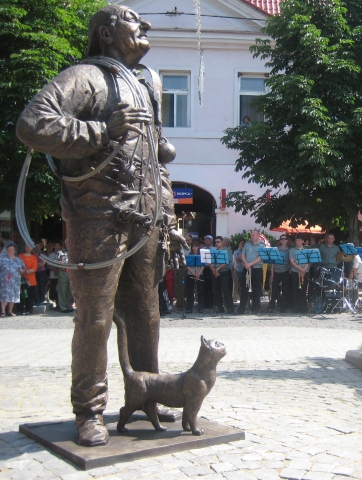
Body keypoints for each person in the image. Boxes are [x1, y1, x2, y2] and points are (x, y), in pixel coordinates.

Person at [16, 5, 186, 446]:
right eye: (134, 20)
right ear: (109, 34)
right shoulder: (85, 77)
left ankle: (147, 396)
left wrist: (169, 218)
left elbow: (155, 160)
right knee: (94, 319)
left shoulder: (150, 82)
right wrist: (100, 131)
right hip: (97, 217)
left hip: (145, 219)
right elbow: (33, 124)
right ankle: (89, 410)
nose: (144, 26)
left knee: (147, 316)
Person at [239, 230, 265, 314]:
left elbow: (260, 258)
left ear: (258, 236)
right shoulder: (247, 244)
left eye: (254, 235)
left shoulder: (262, 245)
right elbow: (243, 255)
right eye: (251, 235)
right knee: (244, 289)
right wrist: (247, 264)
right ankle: (241, 309)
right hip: (247, 269)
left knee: (256, 290)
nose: (252, 236)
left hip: (256, 269)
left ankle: (255, 309)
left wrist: (250, 264)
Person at [0, 242, 26, 317]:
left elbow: (24, 269)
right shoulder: (2, 259)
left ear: (15, 251)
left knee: (13, 296)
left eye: (11, 249)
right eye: (8, 249)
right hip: (4, 281)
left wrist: (22, 270)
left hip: (15, 281)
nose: (9, 250)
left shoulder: (19, 260)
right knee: (4, 295)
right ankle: (2, 312)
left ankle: (10, 311)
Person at [211, 236, 233, 314]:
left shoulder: (227, 251)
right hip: (215, 273)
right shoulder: (214, 251)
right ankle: (220, 309)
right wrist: (213, 270)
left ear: (222, 242)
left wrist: (217, 269)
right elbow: (210, 262)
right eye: (215, 242)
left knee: (226, 290)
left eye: (218, 242)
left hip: (224, 272)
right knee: (216, 291)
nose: (216, 243)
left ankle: (230, 309)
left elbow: (226, 262)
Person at [269, 236, 291, 313]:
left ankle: (283, 307)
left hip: (285, 271)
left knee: (285, 290)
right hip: (277, 271)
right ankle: (271, 307)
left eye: (285, 239)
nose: (284, 240)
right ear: (280, 241)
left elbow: (290, 261)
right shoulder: (276, 250)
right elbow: (273, 262)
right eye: (282, 239)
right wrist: (272, 273)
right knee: (274, 290)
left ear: (287, 240)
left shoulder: (289, 250)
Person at [289, 235, 310, 313]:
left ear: (303, 241)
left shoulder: (306, 250)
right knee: (295, 290)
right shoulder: (292, 250)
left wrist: (304, 270)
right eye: (296, 240)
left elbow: (308, 261)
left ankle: (304, 308)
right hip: (295, 271)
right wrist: (300, 269)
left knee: (303, 290)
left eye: (299, 240)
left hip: (305, 271)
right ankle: (295, 308)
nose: (298, 242)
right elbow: (292, 261)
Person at [18, 245, 38, 315]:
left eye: (29, 247)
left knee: (29, 296)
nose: (27, 248)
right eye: (26, 246)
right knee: (21, 295)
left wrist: (24, 272)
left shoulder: (33, 257)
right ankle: (20, 310)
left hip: (31, 280)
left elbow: (34, 269)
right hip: (21, 279)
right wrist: (22, 271)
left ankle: (29, 310)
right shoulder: (20, 256)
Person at [185, 243, 204, 313]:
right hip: (191, 274)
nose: (194, 248)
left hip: (200, 273)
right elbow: (187, 266)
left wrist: (198, 274)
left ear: (198, 247)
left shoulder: (202, 255)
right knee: (190, 291)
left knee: (200, 291)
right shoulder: (189, 255)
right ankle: (189, 307)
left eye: (196, 246)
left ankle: (200, 307)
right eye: (193, 246)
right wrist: (194, 273)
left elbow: (203, 265)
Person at [34, 241, 48, 306]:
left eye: (39, 246)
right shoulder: (32, 255)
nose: (37, 248)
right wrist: (36, 265)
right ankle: (36, 300)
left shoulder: (44, 254)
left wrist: (36, 264)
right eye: (36, 246)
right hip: (34, 272)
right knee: (36, 286)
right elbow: (31, 265)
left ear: (41, 247)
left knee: (42, 286)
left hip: (42, 272)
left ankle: (42, 300)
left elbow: (43, 264)